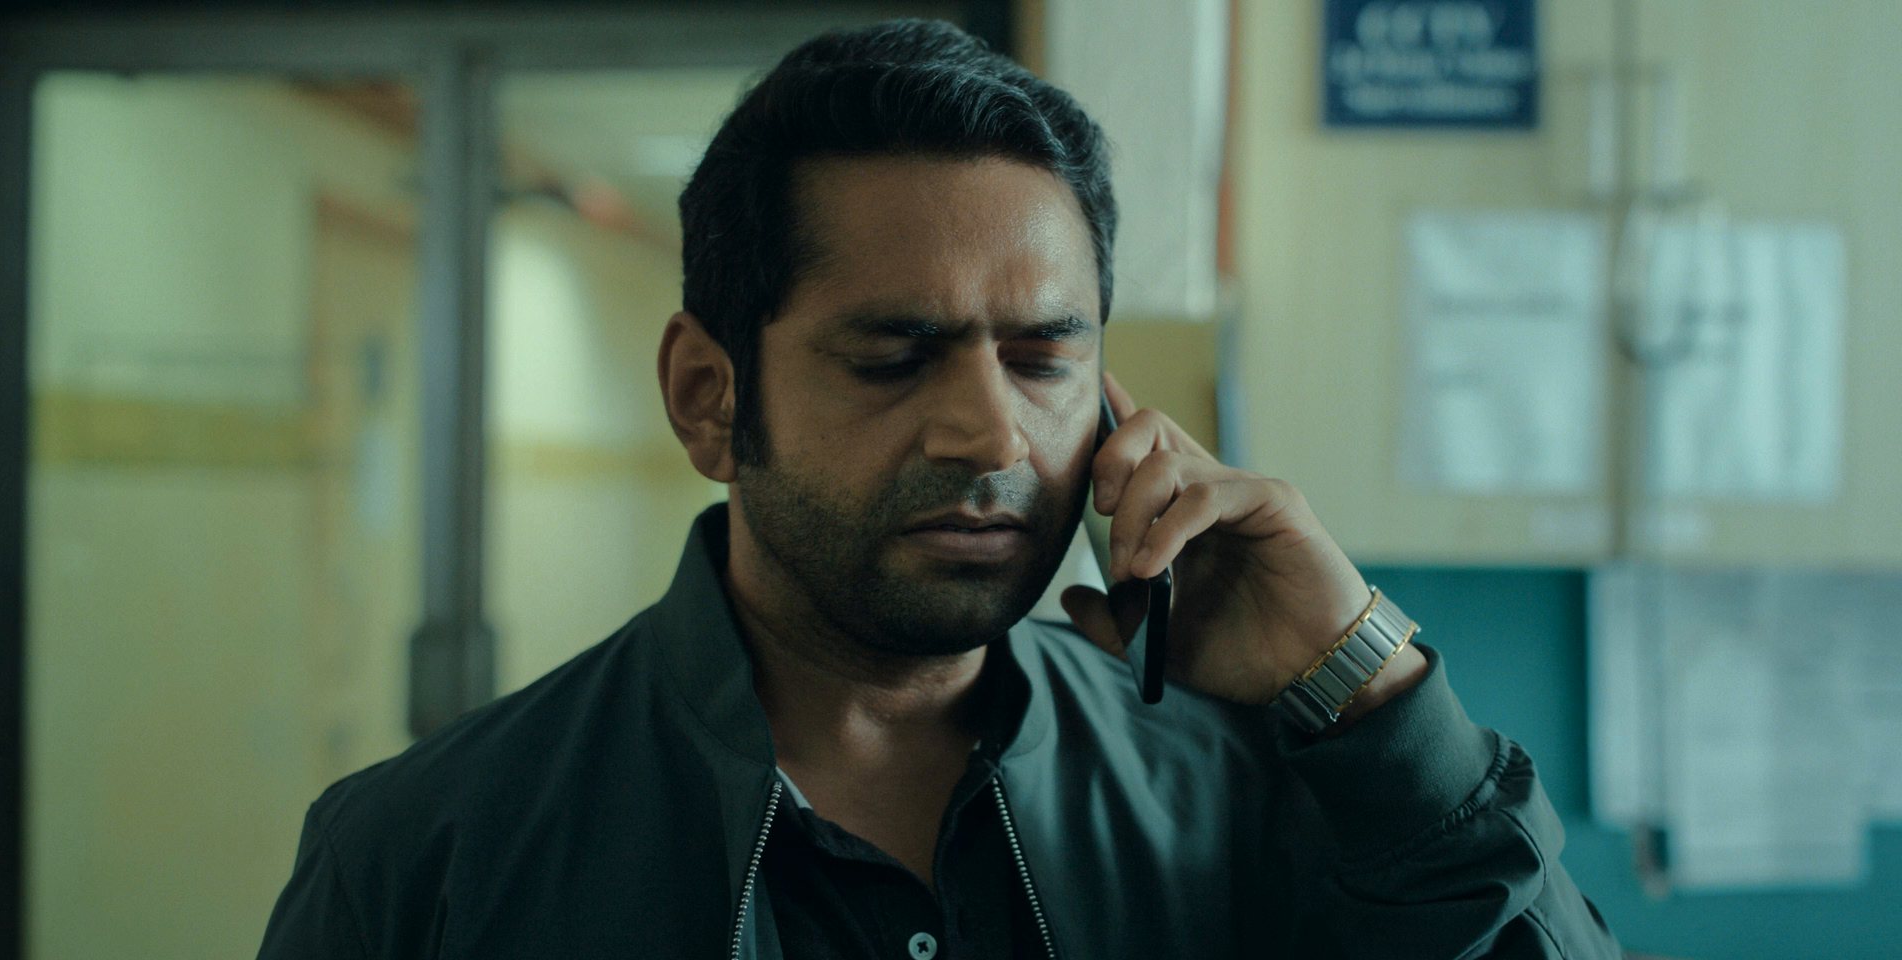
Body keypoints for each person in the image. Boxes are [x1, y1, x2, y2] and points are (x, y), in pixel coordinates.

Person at [259, 19, 1620, 959]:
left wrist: (1371, 695)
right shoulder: (430, 859)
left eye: (1043, 358)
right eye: (893, 356)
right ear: (709, 397)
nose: (989, 433)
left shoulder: (1239, 793)